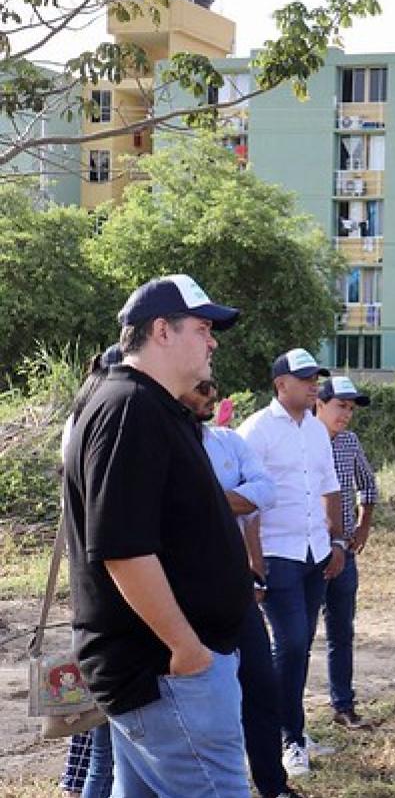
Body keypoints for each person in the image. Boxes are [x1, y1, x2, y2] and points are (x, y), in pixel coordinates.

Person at [62, 274, 252, 796]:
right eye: (203, 327)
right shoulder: (130, 408)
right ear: (162, 331)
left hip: (162, 675)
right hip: (169, 674)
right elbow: (123, 551)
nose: (212, 341)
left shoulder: (145, 404)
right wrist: (186, 649)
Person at [183, 378, 300, 798]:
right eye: (199, 388)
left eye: (210, 387)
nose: (208, 395)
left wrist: (211, 499)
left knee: (261, 685)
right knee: (201, 697)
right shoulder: (164, 443)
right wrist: (233, 498)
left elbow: (266, 491)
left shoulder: (227, 442)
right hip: (182, 591)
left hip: (235, 585)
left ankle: (272, 784)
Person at [239, 348, 343, 777]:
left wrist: (337, 541)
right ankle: (286, 738)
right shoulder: (256, 431)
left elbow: (330, 486)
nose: (312, 384)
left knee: (300, 648)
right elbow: (245, 502)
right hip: (277, 553)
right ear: (280, 384)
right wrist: (254, 562)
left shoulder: (316, 430)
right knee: (292, 642)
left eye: (315, 377)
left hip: (314, 551)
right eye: (304, 378)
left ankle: (294, 727)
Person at [58, 346, 122, 798]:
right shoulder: (107, 419)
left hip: (88, 583)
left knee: (95, 723)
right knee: (104, 735)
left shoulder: (82, 415)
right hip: (109, 588)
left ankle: (74, 782)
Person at [314, 376, 379, 729]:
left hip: (344, 552)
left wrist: (363, 524)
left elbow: (368, 485)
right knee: (298, 636)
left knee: (341, 629)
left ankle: (343, 704)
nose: (347, 414)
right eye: (341, 406)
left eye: (351, 408)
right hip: (306, 550)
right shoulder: (301, 440)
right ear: (319, 405)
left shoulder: (349, 442)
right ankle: (288, 717)